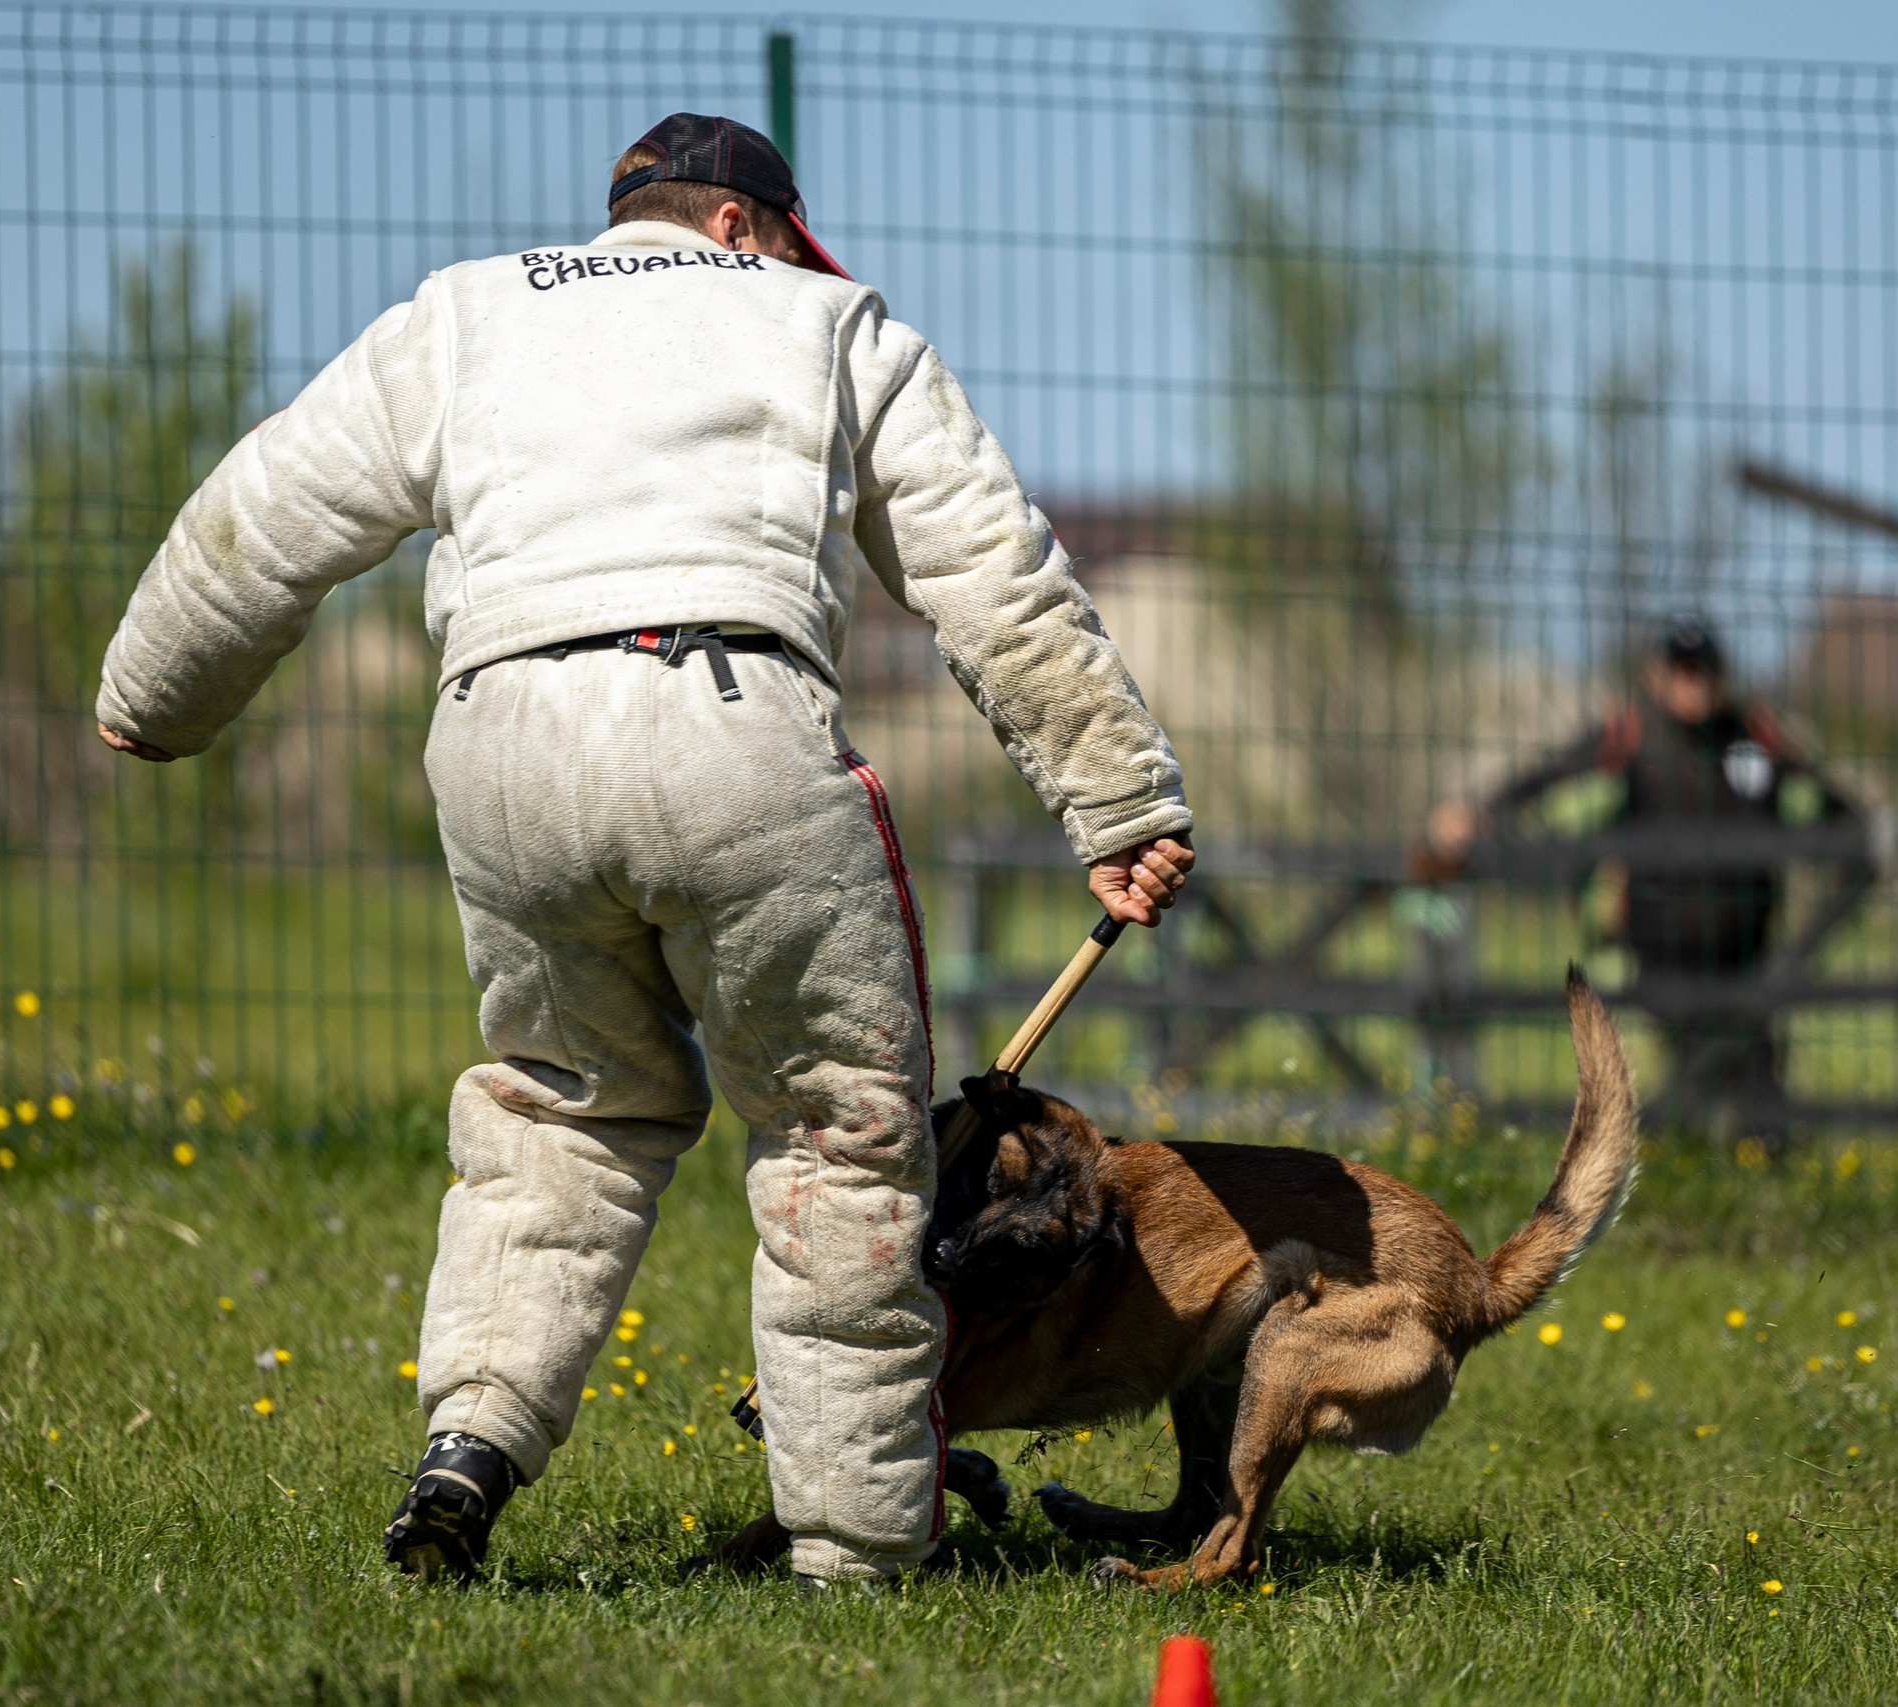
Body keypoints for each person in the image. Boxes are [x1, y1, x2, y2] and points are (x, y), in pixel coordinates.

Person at [92, 113, 1195, 1587]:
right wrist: (1117, 804)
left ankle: (470, 1437)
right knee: (839, 1132)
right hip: (732, 720)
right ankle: (861, 1544)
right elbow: (992, 573)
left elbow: (268, 509)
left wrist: (151, 697)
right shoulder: (831, 324)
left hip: (504, 741)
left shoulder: (467, 315)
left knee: (559, 1108)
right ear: (745, 230)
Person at [1425, 620, 1854, 1135]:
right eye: (1681, 671)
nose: (1692, 684)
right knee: (1709, 1055)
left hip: (1745, 943)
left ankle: (1730, 1158)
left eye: (1703, 671)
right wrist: (1480, 811)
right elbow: (1551, 773)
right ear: (1657, 674)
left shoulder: (1753, 731)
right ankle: (1678, 1148)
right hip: (1663, 940)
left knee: (1754, 1066)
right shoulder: (1630, 731)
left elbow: (1823, 793)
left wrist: (1869, 831)